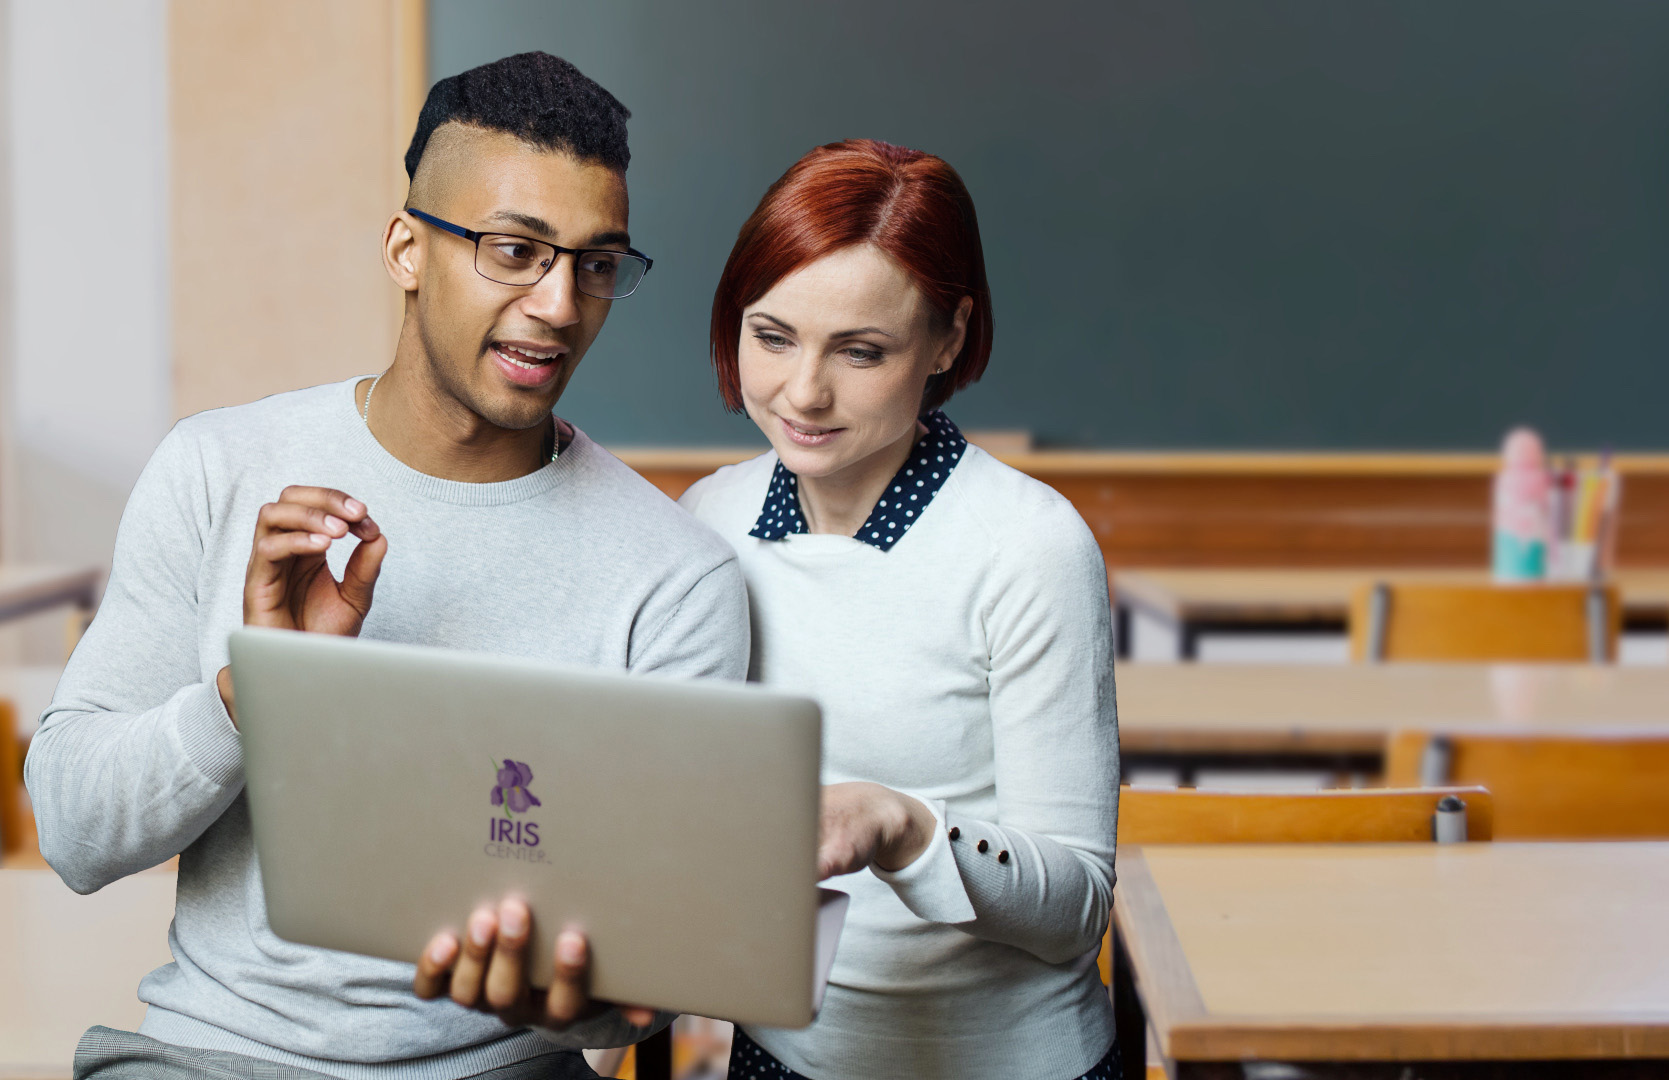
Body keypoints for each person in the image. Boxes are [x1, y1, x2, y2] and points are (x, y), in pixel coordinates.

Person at [26, 52, 748, 1080]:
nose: (558, 304)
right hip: (213, 1058)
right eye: (514, 251)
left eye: (596, 265)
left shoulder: (674, 576)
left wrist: (581, 999)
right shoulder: (217, 468)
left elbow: (649, 984)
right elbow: (74, 833)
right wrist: (252, 692)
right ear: (408, 248)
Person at [678, 139, 1121, 1080]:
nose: (803, 392)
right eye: (771, 336)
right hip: (780, 1056)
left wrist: (902, 827)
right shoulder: (708, 520)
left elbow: (1077, 909)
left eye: (861, 351)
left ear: (948, 340)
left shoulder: (1028, 547)